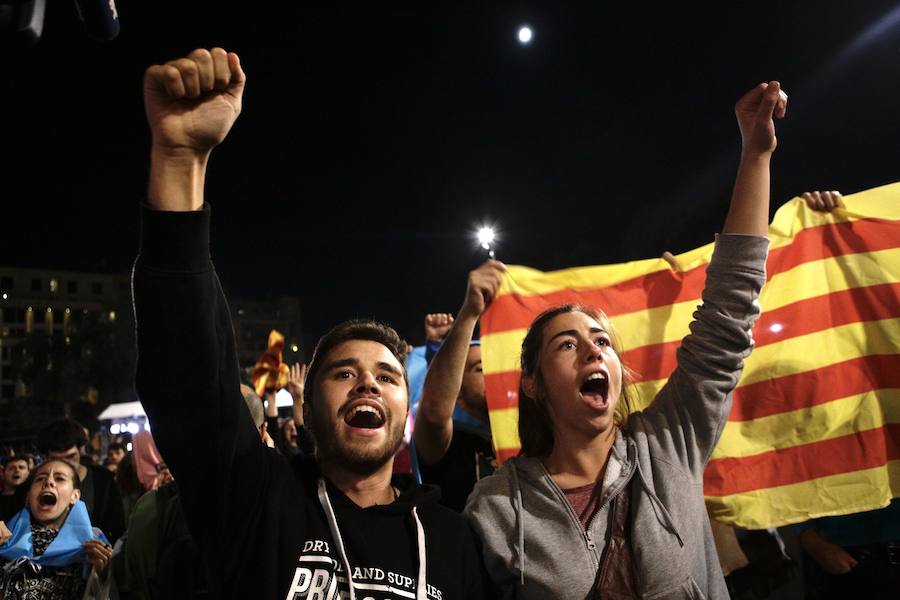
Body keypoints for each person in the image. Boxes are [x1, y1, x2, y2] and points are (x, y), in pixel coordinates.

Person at [133, 47, 486, 599]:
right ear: (311, 411)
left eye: (388, 377)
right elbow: (190, 377)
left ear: (404, 411)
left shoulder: (455, 541)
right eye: (344, 373)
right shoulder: (256, 499)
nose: (369, 382)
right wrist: (179, 163)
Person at [464, 80, 788, 598]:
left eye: (602, 341)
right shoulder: (497, 506)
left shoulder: (669, 443)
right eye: (566, 345)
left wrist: (755, 154)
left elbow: (729, 310)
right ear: (532, 384)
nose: (593, 350)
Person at [414, 270, 503, 511]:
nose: (493, 375)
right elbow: (433, 412)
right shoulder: (451, 443)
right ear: (458, 395)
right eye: (480, 368)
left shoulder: (533, 438)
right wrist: (470, 313)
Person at [0, 459, 112, 599]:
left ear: (75, 496)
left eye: (59, 478)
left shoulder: (94, 546)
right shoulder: (6, 539)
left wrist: (104, 577)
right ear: (28, 498)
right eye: (40, 479)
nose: (49, 482)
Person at [36, 419, 126, 544]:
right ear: (45, 457)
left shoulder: (104, 481)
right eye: (57, 459)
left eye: (71, 456)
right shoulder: (35, 486)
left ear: (81, 450)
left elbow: (118, 528)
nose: (66, 464)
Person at [0, 457, 29, 522]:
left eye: (21, 467)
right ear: (3, 474)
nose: (17, 470)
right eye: (11, 468)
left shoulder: (34, 500)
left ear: (28, 473)